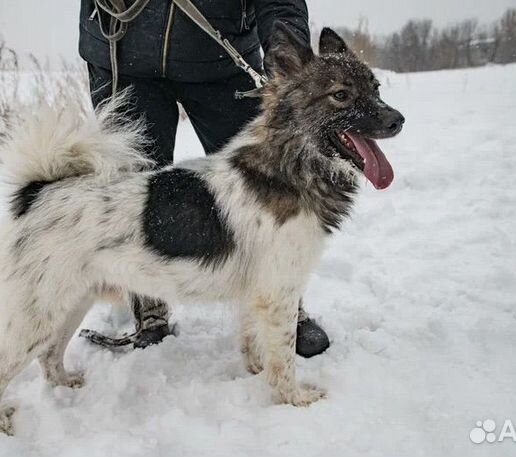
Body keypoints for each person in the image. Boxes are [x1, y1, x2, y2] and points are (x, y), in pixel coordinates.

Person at [78, 0, 330, 357]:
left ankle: (283, 305)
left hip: (220, 54)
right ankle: (149, 306)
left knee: (263, 181)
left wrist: (287, 54)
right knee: (133, 186)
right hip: (123, 50)